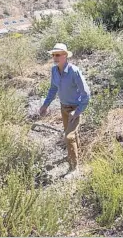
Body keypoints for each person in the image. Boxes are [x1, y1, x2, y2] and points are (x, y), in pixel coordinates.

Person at [39, 43, 90, 176]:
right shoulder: (54, 71)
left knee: (69, 137)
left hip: (75, 108)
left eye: (58, 55)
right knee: (73, 135)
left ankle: (74, 168)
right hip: (64, 108)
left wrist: (78, 111)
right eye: (53, 55)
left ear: (65, 56)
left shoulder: (74, 71)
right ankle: (79, 155)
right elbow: (53, 89)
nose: (55, 57)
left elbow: (86, 93)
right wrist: (45, 105)